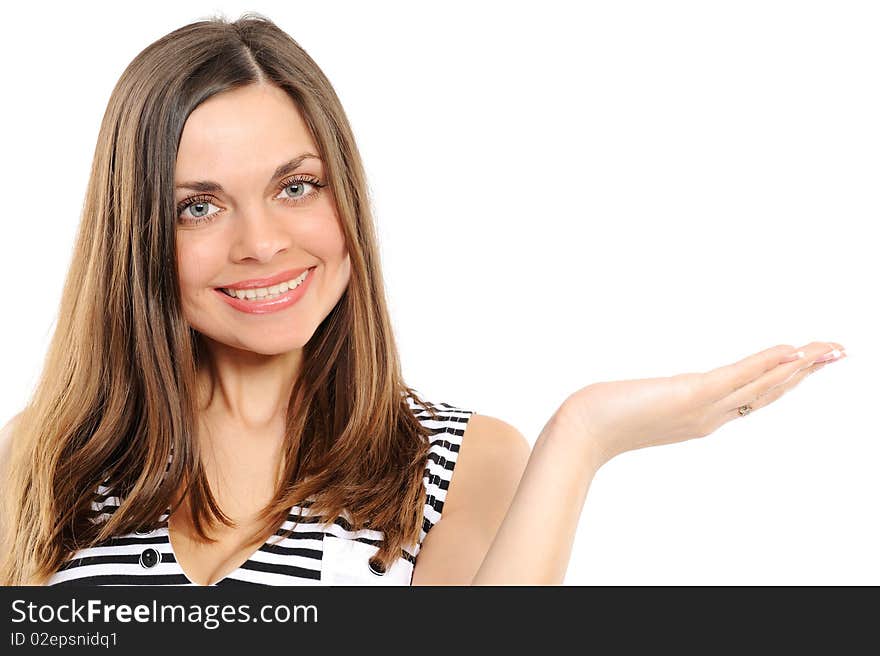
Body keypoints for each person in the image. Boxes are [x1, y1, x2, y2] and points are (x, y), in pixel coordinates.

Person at [0, 13, 846, 586]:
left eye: (296, 187)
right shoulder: (44, 461)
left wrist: (583, 437)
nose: (259, 242)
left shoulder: (456, 465)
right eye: (200, 205)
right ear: (137, 234)